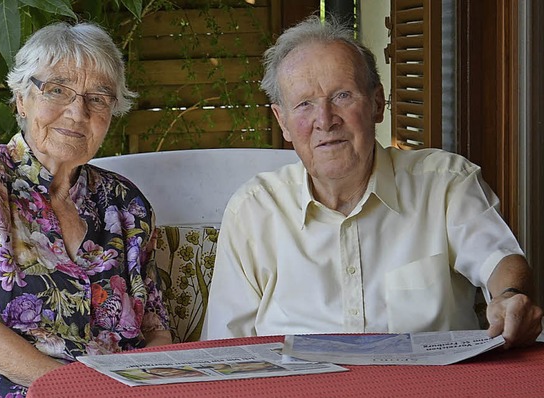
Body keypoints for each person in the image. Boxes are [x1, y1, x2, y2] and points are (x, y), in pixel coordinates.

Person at [201, 15, 543, 347]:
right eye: (304, 104)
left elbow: (498, 259)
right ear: (283, 122)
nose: (325, 120)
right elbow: (226, 345)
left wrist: (510, 296)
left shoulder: (444, 183)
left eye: (342, 96)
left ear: (377, 103)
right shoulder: (254, 209)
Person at [0, 21, 172, 397]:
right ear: (22, 98)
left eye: (98, 98)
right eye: (57, 90)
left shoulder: (125, 202)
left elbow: (156, 331)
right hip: (7, 384)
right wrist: (75, 388)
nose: (77, 112)